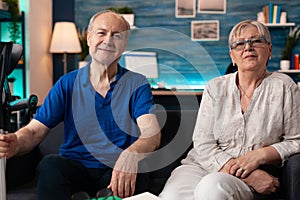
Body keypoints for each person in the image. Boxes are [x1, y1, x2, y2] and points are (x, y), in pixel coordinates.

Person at [0, 10, 161, 199]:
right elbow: (35, 131)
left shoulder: (137, 83)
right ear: (89, 38)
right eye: (101, 33)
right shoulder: (67, 83)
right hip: (75, 168)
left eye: (116, 35)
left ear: (124, 44)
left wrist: (131, 155)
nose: (108, 40)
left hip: (116, 169)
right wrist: (16, 142)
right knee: (49, 165)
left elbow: (152, 133)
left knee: (139, 170)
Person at [159, 20, 300, 200]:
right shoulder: (215, 87)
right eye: (240, 44)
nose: (248, 47)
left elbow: (296, 140)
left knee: (212, 188)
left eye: (256, 41)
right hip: (200, 166)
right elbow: (203, 143)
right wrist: (248, 176)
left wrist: (260, 155)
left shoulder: (284, 87)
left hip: (249, 172)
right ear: (232, 56)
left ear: (269, 50)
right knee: (170, 197)